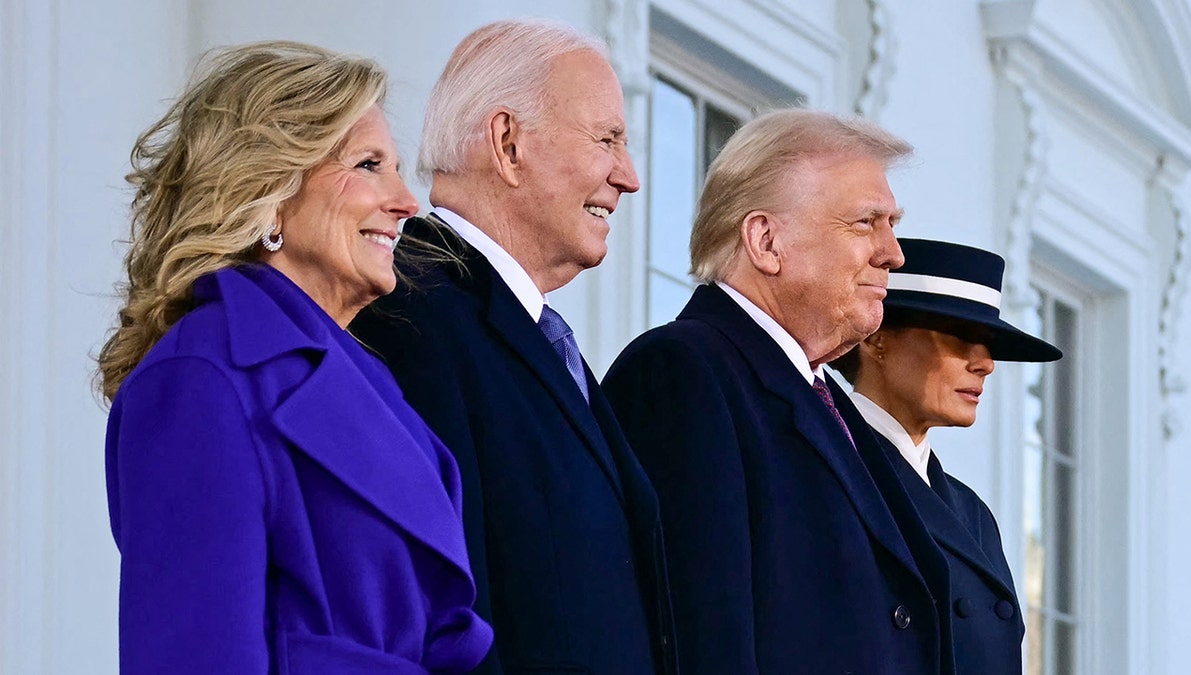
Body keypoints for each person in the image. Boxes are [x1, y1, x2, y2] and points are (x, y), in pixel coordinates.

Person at [96, 41, 491, 674]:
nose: (407, 202)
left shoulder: (375, 385)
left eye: (397, 168)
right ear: (272, 192)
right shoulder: (203, 378)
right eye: (369, 165)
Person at [350, 19, 675, 675]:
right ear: (507, 143)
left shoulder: (531, 333)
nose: (630, 176)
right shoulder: (410, 311)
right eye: (608, 138)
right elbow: (440, 608)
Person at [602, 109, 958, 674]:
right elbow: (701, 635)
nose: (894, 253)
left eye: (892, 223)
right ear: (766, 241)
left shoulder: (828, 398)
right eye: (867, 223)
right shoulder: (683, 372)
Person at [829, 237, 1062, 674]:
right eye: (960, 336)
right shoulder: (825, 471)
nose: (985, 364)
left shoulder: (973, 514)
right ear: (877, 339)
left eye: (989, 342)